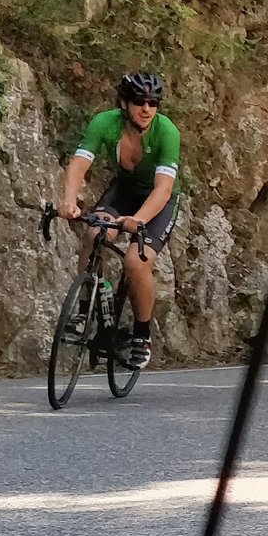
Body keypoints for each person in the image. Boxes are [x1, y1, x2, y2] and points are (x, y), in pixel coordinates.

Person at [57, 70, 179, 371]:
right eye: (140, 101)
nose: (147, 108)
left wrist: (138, 220)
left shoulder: (167, 133)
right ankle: (85, 312)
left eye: (153, 102)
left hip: (157, 201)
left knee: (136, 262)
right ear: (124, 103)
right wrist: (69, 200)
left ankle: (141, 335)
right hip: (123, 192)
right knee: (94, 233)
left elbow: (163, 190)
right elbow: (79, 164)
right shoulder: (105, 123)